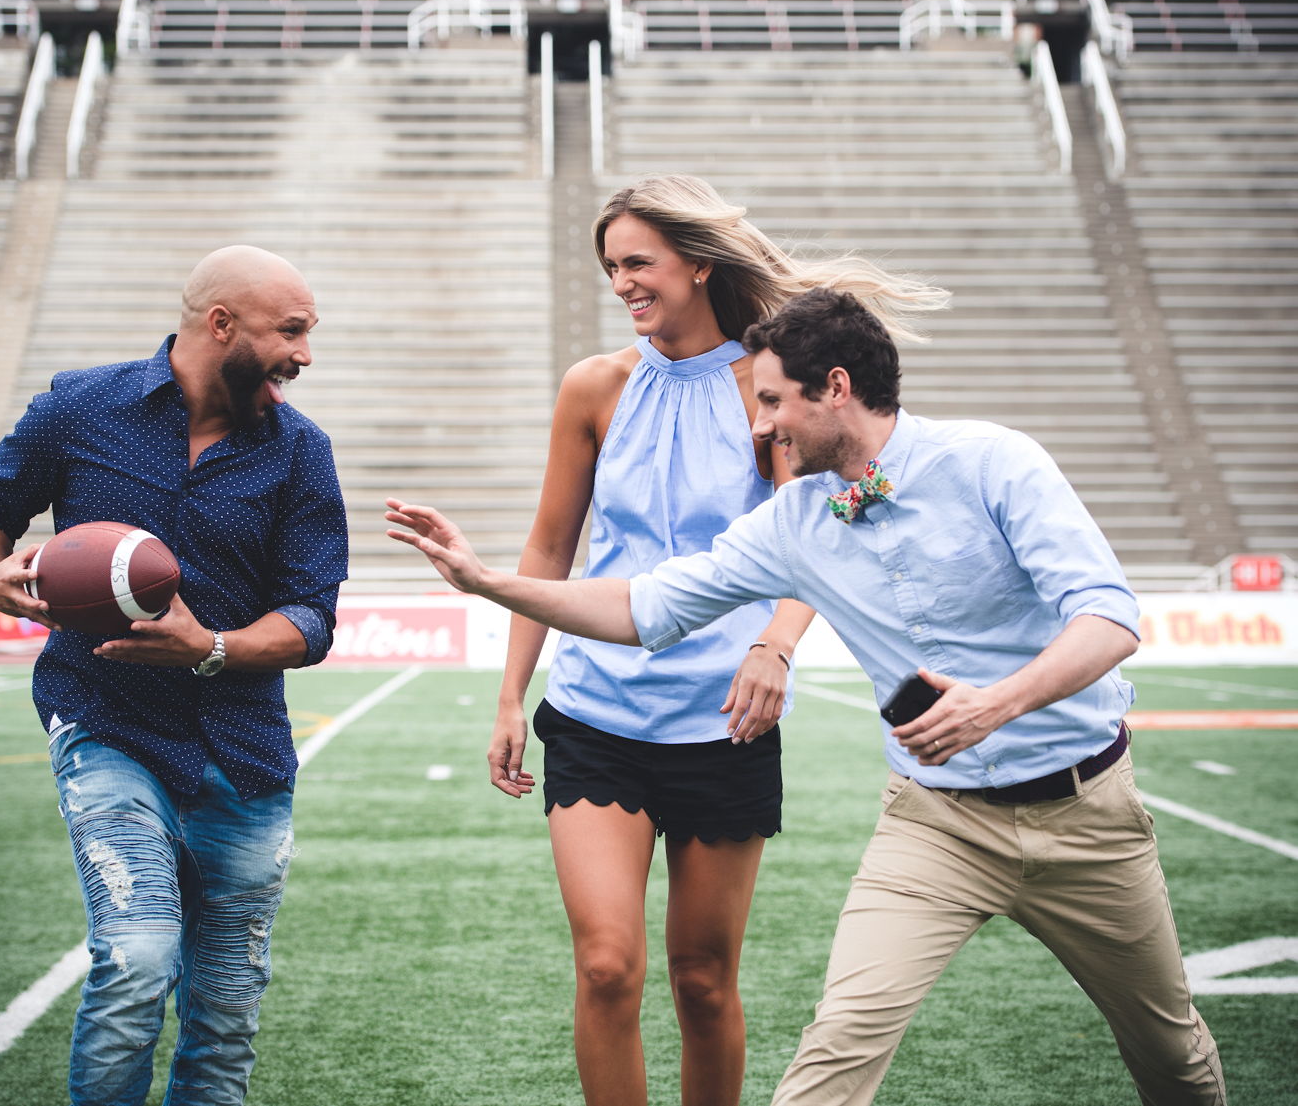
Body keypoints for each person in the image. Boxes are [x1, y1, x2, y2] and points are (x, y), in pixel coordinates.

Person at [385, 287, 1225, 1106]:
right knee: (835, 1052)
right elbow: (646, 606)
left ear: (836, 388)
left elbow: (1110, 615)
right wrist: (486, 581)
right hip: (937, 824)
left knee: (1170, 1056)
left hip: (1087, 817)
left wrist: (994, 703)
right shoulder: (795, 522)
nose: (761, 426)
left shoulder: (994, 460)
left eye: (774, 401)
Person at [487, 174, 944, 1106]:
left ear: (698, 263)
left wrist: (773, 646)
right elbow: (549, 544)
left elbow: (815, 534)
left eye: (639, 262)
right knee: (608, 964)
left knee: (702, 979)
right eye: (611, 266)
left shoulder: (767, 390)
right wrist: (509, 694)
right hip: (593, 715)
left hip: (722, 726)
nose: (622, 282)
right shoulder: (593, 386)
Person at [0, 245, 348, 1106]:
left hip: (243, 753)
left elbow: (312, 617)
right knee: (135, 957)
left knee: (226, 1003)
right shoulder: (79, 407)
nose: (305, 353)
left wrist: (211, 646)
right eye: (293, 330)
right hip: (107, 724)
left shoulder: (302, 451)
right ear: (220, 324)